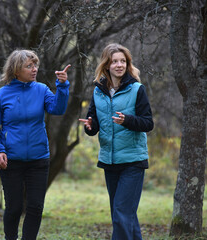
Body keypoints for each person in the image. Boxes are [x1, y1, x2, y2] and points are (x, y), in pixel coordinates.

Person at [0, 49, 71, 240]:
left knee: (35, 207)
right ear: (16, 70)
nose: (34, 69)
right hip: (11, 160)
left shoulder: (41, 90)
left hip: (38, 159)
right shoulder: (2, 94)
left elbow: (57, 108)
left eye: (35, 65)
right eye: (29, 66)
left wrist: (63, 86)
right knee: (14, 207)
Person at [79, 43, 153, 240]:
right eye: (114, 61)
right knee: (123, 215)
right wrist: (89, 126)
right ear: (106, 65)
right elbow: (94, 125)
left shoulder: (137, 89)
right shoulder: (98, 91)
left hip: (133, 161)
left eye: (123, 61)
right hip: (110, 161)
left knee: (121, 213)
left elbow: (148, 123)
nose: (119, 65)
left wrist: (127, 120)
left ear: (127, 64)